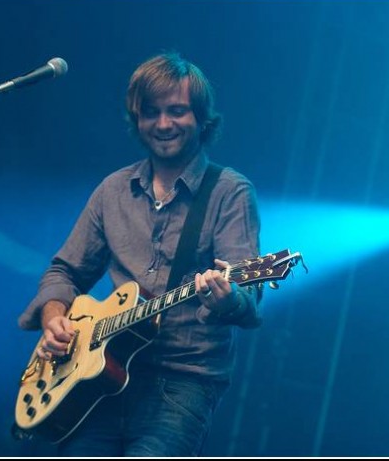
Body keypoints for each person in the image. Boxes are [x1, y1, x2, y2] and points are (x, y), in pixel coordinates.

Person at [17, 52, 263, 457]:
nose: (163, 124)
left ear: (202, 119)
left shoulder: (229, 192)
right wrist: (55, 320)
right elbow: (64, 271)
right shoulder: (113, 190)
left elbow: (247, 302)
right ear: (137, 119)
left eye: (177, 111)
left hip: (180, 384)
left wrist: (228, 297)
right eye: (151, 113)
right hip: (96, 375)